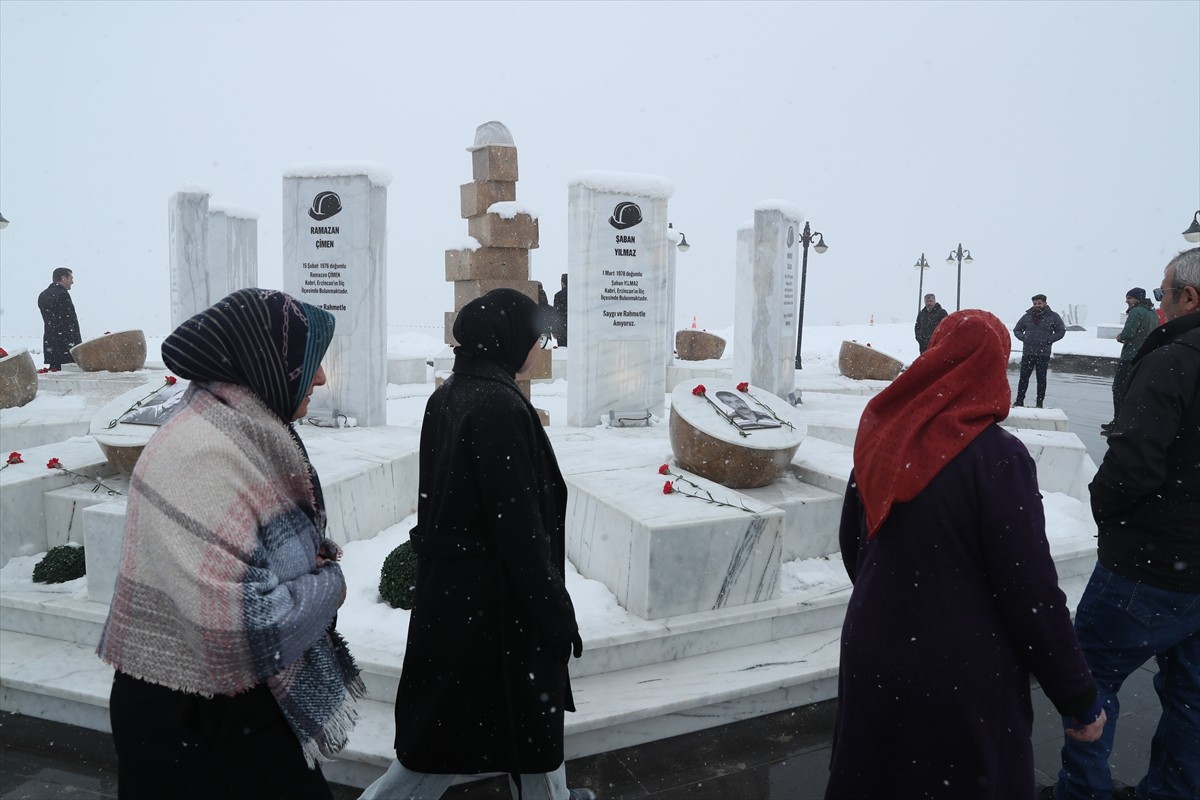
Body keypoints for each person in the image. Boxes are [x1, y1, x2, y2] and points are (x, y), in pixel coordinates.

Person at [825, 309, 1104, 800]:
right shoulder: (997, 456)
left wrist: (892, 595)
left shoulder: (884, 434)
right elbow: (1029, 589)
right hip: (962, 665)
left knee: (875, 774)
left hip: (874, 641)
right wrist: (1078, 698)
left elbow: (854, 543)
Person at [97, 288, 362, 800]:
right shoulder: (202, 455)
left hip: (224, 706)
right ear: (264, 364)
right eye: (310, 362)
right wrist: (329, 585)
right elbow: (237, 628)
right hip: (197, 719)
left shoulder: (239, 433)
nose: (323, 378)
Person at [361, 288, 594, 800]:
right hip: (497, 611)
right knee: (502, 737)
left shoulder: (450, 394)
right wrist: (554, 612)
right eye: (537, 338)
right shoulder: (498, 408)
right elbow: (520, 532)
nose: (541, 348)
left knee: (455, 742)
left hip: (459, 603)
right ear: (510, 341)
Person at [1046, 248, 1200, 800]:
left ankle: (1081, 792)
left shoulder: (1174, 360)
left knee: (1089, 682)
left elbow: (1131, 465)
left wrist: (1104, 509)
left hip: (1148, 566)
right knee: (1193, 698)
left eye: (1163, 293)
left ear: (1189, 298)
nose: (1159, 303)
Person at [1103, 286, 1157, 434]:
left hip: (1130, 357)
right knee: (1135, 391)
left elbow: (1128, 333)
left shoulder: (1136, 312)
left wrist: (1120, 337)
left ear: (1137, 299)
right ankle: (1130, 424)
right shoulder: (1152, 314)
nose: (1127, 301)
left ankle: (1118, 423)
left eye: (1129, 298)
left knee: (1119, 389)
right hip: (1145, 357)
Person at [1013, 293, 1066, 407]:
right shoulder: (1027, 316)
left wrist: (1048, 340)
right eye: (1035, 303)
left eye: (1039, 303)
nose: (1037, 305)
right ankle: (1019, 400)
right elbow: (1017, 330)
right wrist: (1025, 338)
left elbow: (1061, 331)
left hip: (1043, 354)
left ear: (1045, 303)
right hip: (1028, 352)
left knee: (1041, 379)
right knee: (1023, 378)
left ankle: (1039, 402)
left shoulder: (1053, 316)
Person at [36, 267, 82, 372]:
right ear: (63, 278)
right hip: (65, 346)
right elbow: (69, 321)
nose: (72, 282)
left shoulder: (43, 295)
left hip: (51, 343)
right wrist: (74, 344)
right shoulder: (62, 294)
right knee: (68, 377)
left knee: (55, 371)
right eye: (71, 278)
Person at [553, 273, 569, 347]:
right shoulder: (576, 294)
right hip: (574, 327)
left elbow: (556, 314)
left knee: (563, 352)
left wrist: (555, 330)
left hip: (562, 328)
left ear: (562, 283)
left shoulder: (558, 295)